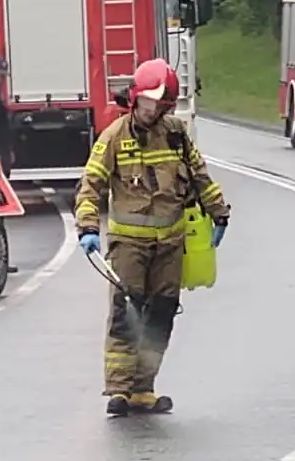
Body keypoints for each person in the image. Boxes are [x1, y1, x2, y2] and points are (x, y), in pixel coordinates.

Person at [74, 59, 232, 415]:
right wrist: (87, 227)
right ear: (135, 99)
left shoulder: (175, 134)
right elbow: (91, 186)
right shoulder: (114, 136)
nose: (152, 110)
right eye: (147, 103)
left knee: (161, 314)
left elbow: (200, 177)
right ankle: (118, 390)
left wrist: (219, 211)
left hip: (171, 245)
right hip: (129, 246)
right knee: (125, 314)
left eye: (159, 105)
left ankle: (144, 388)